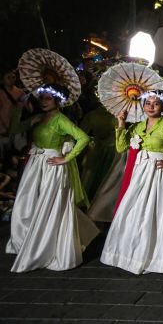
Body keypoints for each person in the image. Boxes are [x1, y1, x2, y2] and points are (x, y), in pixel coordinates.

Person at [100, 90, 163, 274]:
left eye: (156, 103)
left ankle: (156, 255)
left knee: (157, 209)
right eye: (147, 103)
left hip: (160, 172)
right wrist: (121, 124)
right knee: (135, 208)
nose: (151, 107)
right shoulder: (137, 126)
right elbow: (121, 147)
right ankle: (132, 252)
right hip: (141, 172)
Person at [6, 84, 98, 272]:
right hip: (35, 166)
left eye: (48, 98)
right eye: (42, 98)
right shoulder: (38, 118)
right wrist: (18, 109)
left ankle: (47, 245)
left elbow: (83, 138)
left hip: (52, 167)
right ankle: (26, 239)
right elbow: (13, 129)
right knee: (26, 204)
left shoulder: (60, 120)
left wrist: (66, 158)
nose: (43, 101)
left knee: (49, 206)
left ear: (57, 100)